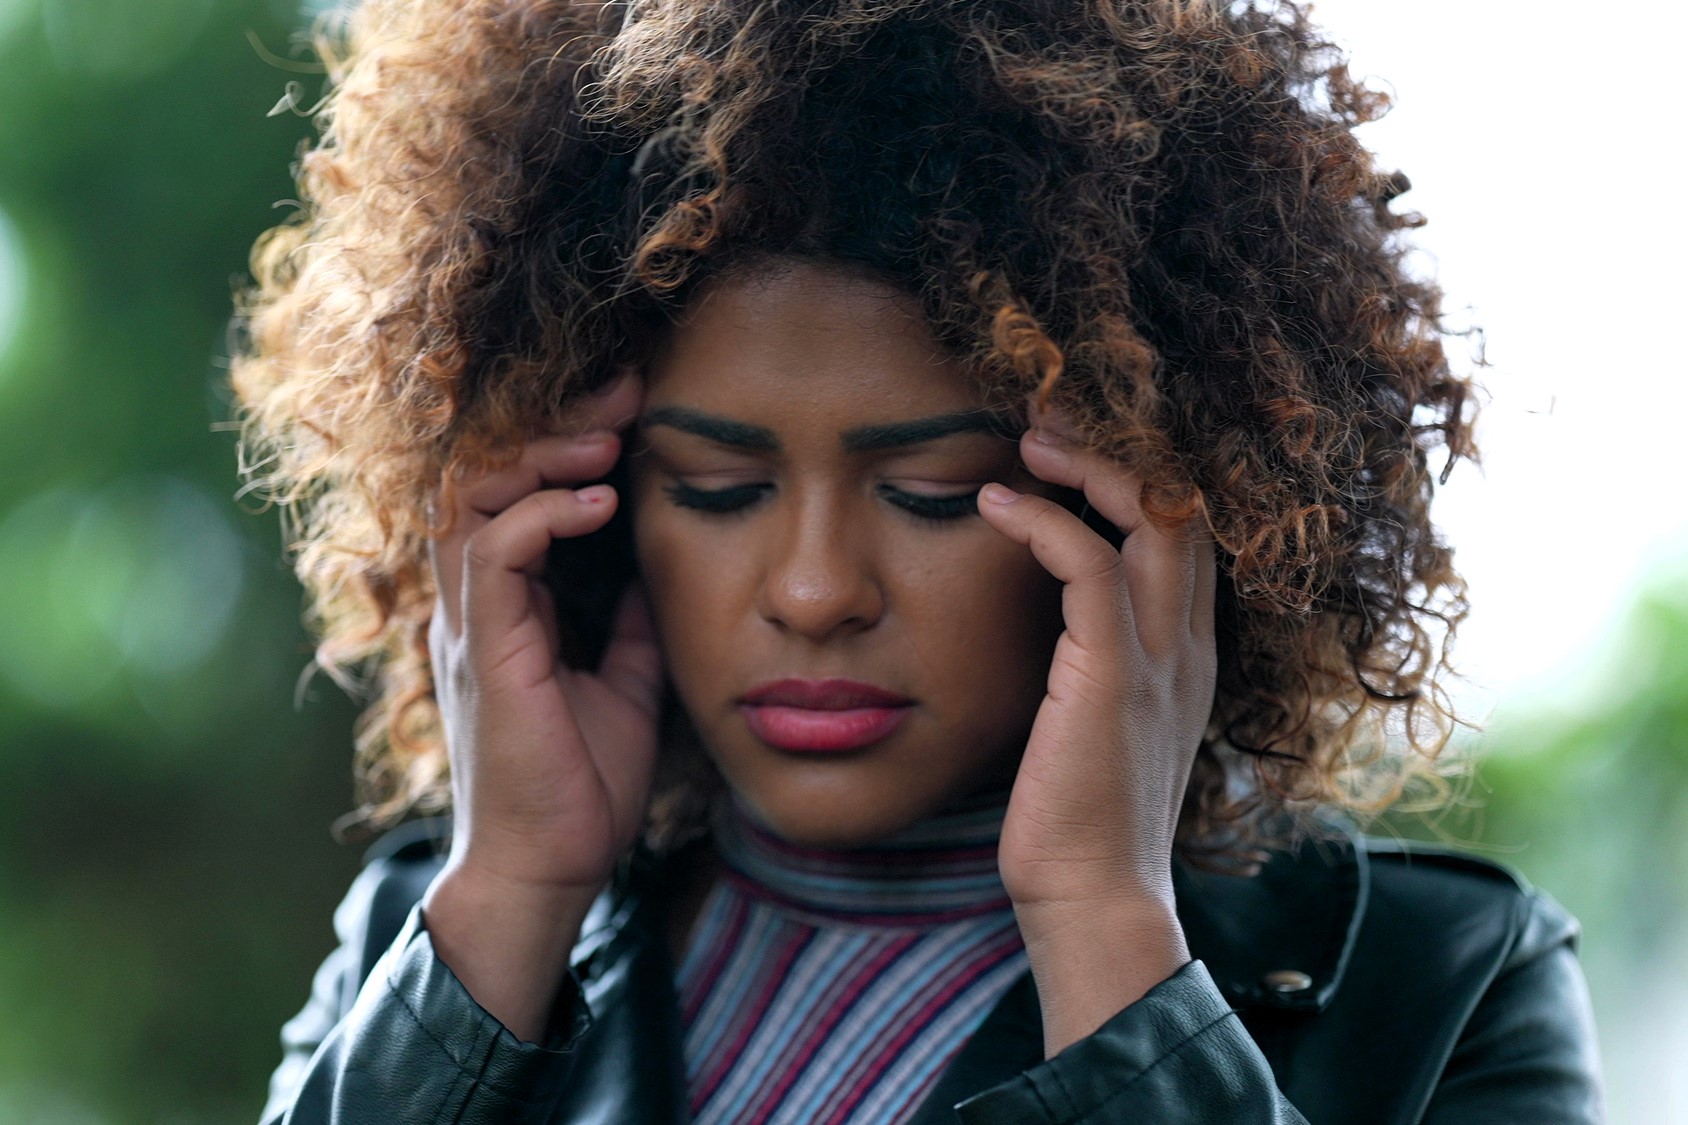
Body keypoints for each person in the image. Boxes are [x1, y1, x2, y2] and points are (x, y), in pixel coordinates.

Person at [235, 0, 1603, 1121]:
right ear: (588, 499)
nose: (818, 588)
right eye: (717, 487)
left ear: (1151, 513)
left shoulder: (1441, 987)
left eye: (938, 492)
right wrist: (516, 888)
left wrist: (1107, 927)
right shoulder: (428, 943)